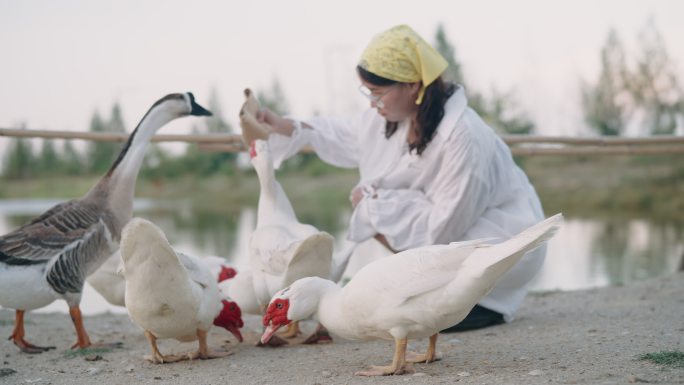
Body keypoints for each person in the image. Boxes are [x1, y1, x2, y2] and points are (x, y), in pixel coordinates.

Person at [243, 24, 546, 331]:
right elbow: (342, 133)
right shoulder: (393, 117)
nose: (372, 103)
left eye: (377, 93)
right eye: (368, 93)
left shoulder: (463, 137)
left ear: (412, 85)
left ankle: (463, 302)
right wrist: (280, 125)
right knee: (371, 209)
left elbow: (447, 227)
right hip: (455, 236)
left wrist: (375, 206)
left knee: (371, 210)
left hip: (497, 242)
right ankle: (429, 299)